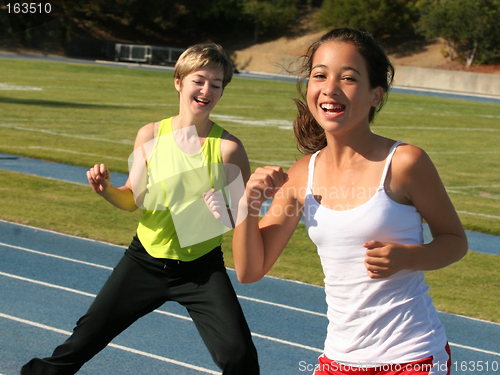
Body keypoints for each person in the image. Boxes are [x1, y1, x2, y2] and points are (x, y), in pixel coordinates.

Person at [231, 28, 468, 375]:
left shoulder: (404, 163)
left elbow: (455, 241)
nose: (330, 88)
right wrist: (247, 207)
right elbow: (251, 270)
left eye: (348, 77)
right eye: (320, 76)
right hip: (339, 360)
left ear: (376, 94)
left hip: (412, 357)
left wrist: (408, 257)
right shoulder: (302, 175)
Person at [21, 43, 259, 375]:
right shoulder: (150, 135)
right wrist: (106, 191)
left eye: (216, 84)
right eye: (199, 80)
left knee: (240, 358)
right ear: (179, 81)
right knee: (82, 340)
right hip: (144, 260)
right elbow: (133, 199)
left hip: (200, 270)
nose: (207, 91)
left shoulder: (228, 150)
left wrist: (227, 213)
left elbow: (246, 213)